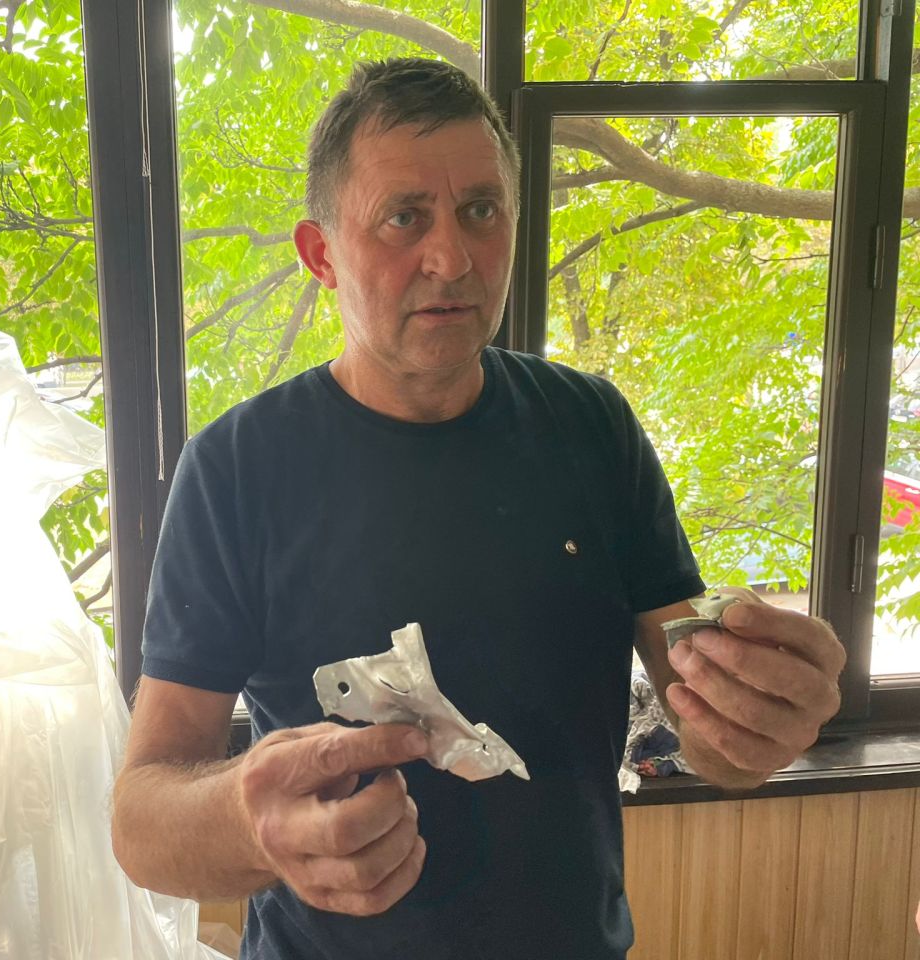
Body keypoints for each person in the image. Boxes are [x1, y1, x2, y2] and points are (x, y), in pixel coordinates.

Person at [111, 57, 845, 959]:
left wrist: (757, 717)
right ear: (321, 255)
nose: (452, 256)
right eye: (404, 217)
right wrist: (246, 819)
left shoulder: (592, 427)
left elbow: (701, 712)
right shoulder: (233, 469)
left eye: (480, 211)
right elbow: (141, 821)